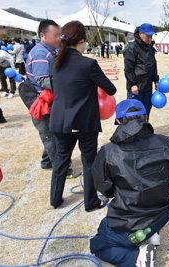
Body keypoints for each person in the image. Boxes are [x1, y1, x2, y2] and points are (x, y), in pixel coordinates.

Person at [90, 99, 169, 267]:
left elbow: (104, 188)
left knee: (98, 245)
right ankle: (152, 233)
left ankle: (138, 258)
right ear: (145, 118)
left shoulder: (108, 151)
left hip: (129, 221)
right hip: (162, 213)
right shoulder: (167, 142)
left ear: (118, 121)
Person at [48, 20, 117, 210]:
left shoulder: (53, 61)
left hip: (60, 120)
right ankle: (91, 201)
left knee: (61, 160)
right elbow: (110, 89)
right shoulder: (88, 64)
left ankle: (55, 199)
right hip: (83, 121)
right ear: (81, 41)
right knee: (89, 162)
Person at [24, 19, 82, 175]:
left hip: (50, 103)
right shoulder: (40, 53)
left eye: (60, 35)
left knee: (50, 135)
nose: (59, 39)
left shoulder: (50, 51)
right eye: (56, 35)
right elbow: (42, 80)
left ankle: (46, 162)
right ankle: (62, 170)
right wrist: (67, 83)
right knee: (52, 137)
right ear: (42, 36)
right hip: (43, 105)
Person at [124, 23, 159, 119]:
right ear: (140, 34)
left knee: (146, 111)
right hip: (136, 89)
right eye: (148, 36)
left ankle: (145, 131)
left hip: (147, 87)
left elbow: (153, 65)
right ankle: (133, 133)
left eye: (151, 36)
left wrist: (156, 80)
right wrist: (132, 84)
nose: (150, 38)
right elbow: (128, 68)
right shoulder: (131, 48)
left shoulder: (150, 49)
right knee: (134, 113)